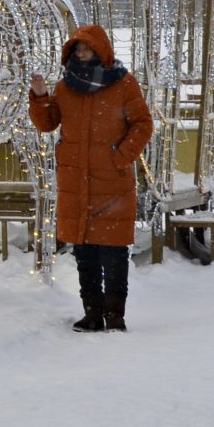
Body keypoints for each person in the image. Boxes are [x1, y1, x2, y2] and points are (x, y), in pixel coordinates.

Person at [29, 24, 153, 332]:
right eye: (76, 50)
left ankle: (115, 315)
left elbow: (142, 124)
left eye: (86, 49)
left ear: (101, 51)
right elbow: (48, 123)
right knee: (84, 251)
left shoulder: (124, 84)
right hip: (75, 181)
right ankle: (92, 314)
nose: (81, 54)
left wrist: (119, 156)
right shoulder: (65, 87)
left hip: (112, 181)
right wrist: (41, 96)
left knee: (112, 252)